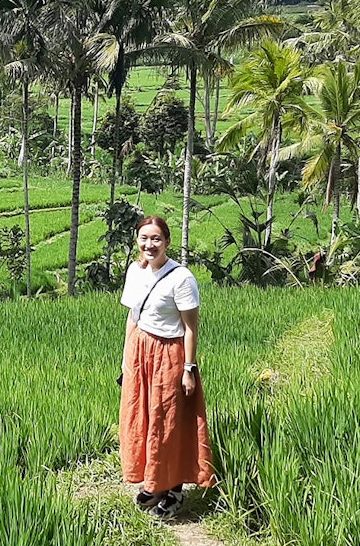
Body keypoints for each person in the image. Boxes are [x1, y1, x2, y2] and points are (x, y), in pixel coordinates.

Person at [118, 215, 215, 516]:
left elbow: (190, 329)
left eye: (156, 238)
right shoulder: (135, 271)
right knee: (141, 417)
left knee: (167, 422)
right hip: (140, 350)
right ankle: (154, 482)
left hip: (169, 356)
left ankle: (173, 491)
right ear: (138, 241)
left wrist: (189, 369)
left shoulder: (181, 278)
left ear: (167, 242)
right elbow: (133, 317)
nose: (150, 244)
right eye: (144, 238)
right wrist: (125, 361)